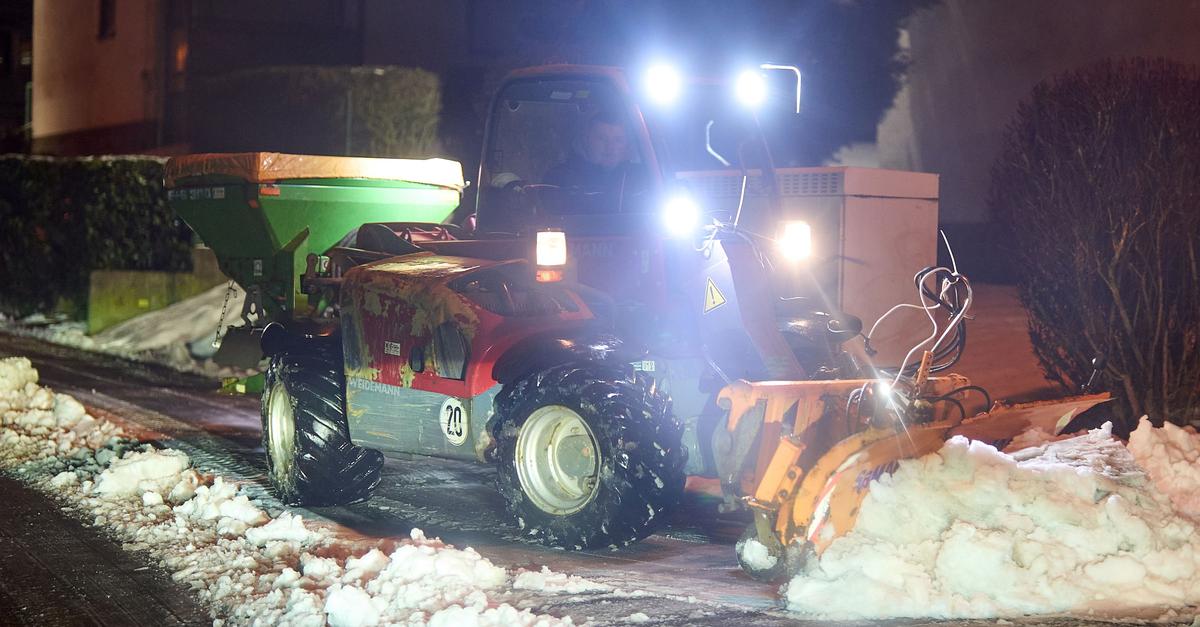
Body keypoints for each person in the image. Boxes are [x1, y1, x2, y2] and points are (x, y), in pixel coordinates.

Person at [543, 110, 637, 193]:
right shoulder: (560, 179)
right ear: (586, 140)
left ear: (627, 144)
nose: (610, 147)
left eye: (618, 140)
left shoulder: (641, 178)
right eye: (602, 138)